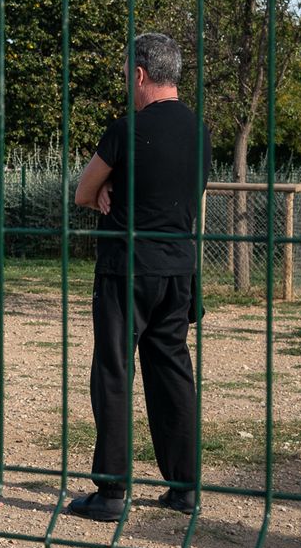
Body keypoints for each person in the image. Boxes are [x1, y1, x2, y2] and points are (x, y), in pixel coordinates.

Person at [68, 32, 208, 521]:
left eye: (129, 73)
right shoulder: (200, 130)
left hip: (126, 270)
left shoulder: (126, 129)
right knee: (172, 373)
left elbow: (83, 191)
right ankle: (184, 487)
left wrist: (107, 190)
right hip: (180, 271)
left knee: (114, 371)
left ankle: (110, 493)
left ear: (141, 74)